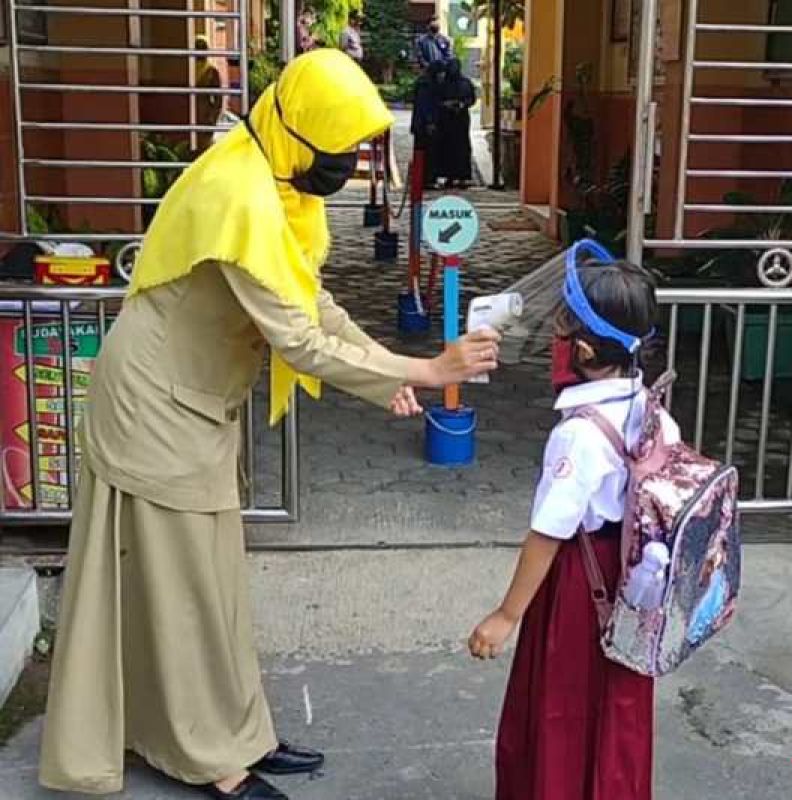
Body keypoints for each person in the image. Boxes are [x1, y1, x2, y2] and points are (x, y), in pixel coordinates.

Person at [38, 49, 501, 800]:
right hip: (155, 406)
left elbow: (314, 304)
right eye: (339, 147)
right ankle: (212, 759)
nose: (345, 164)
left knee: (212, 581)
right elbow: (297, 339)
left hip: (193, 401)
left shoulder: (277, 183)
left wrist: (387, 366)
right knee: (182, 588)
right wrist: (423, 371)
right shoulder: (240, 195)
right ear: (301, 129)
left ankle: (239, 732)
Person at [468, 259, 677, 800]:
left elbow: (549, 532)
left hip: (579, 586)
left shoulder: (577, 435)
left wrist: (505, 614)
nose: (555, 336)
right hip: (630, 582)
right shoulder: (650, 406)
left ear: (583, 349)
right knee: (617, 706)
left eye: (563, 326)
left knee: (560, 707)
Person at [431, 58, 475, 189]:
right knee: (447, 148)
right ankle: (449, 176)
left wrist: (462, 104)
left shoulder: (465, 83)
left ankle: (462, 176)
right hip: (446, 120)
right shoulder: (443, 83)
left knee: (461, 147)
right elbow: (437, 99)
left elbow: (471, 99)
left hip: (460, 119)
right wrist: (445, 105)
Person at [194, 36, 224, 152]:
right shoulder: (188, 69)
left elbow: (218, 100)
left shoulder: (211, 71)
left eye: (203, 48)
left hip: (204, 117)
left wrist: (212, 117)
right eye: (198, 48)